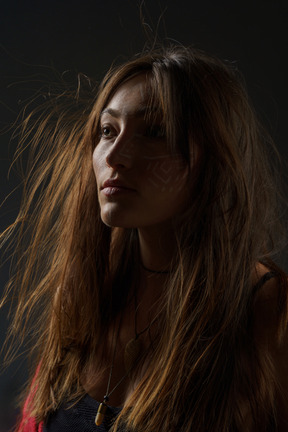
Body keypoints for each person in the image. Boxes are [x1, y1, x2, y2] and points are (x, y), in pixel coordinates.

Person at [2, 44, 288, 431]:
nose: (114, 156)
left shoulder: (269, 312)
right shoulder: (88, 292)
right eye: (107, 131)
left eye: (154, 132)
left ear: (215, 158)